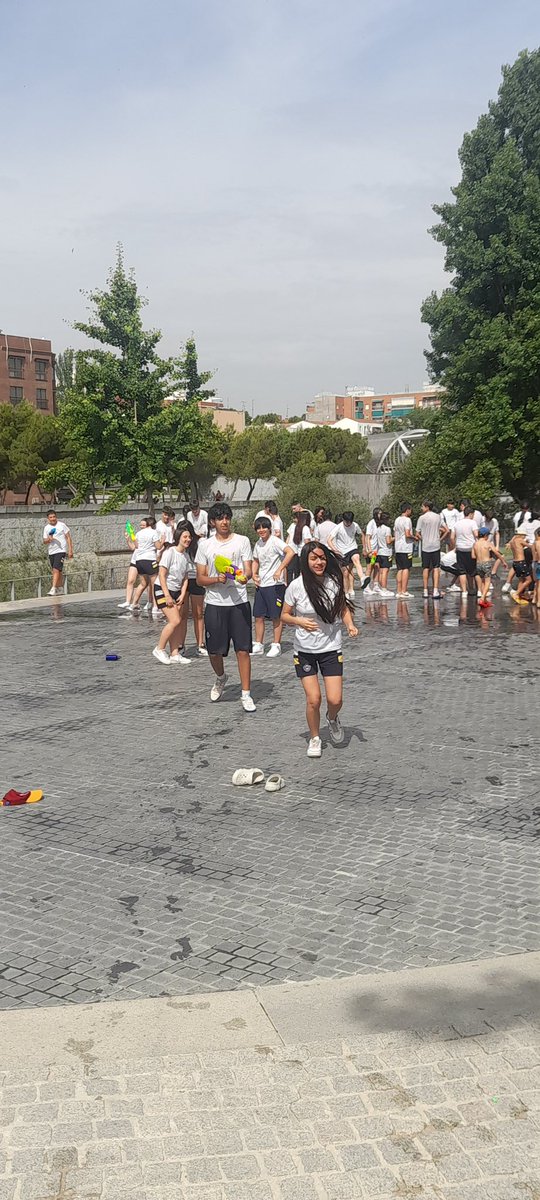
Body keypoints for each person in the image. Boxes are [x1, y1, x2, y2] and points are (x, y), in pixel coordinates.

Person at [282, 542, 359, 758]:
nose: (319, 562)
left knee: (335, 700)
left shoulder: (333, 582)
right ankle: (315, 737)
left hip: (330, 648)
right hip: (304, 651)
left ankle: (332, 718)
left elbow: (343, 608)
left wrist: (350, 625)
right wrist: (299, 621)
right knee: (313, 699)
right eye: (314, 558)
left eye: (322, 558)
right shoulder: (296, 586)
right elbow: (284, 615)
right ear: (305, 561)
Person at [195, 502, 256, 711]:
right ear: (213, 522)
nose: (224, 522)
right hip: (215, 603)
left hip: (239, 603)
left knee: (243, 650)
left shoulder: (242, 541)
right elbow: (200, 579)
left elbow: (248, 570)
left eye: (227, 518)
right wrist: (216, 579)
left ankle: (246, 694)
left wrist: (244, 577)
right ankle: (221, 677)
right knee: (214, 651)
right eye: (220, 518)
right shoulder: (205, 546)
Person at [251, 517, 295, 657]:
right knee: (258, 615)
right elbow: (255, 560)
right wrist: (254, 574)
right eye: (258, 528)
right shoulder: (258, 544)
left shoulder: (275, 541)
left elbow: (290, 552)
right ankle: (259, 644)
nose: (261, 530)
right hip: (262, 584)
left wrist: (280, 569)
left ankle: (276, 644)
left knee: (276, 615)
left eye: (264, 527)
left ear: (269, 528)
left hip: (275, 584)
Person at [152, 526, 191, 664]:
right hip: (162, 589)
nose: (188, 539)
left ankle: (174, 653)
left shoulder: (186, 556)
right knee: (175, 620)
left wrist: (183, 593)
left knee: (177, 622)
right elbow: (162, 575)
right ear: (178, 538)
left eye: (189, 537)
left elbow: (185, 577)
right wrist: (167, 595)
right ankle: (159, 648)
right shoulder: (170, 552)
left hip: (177, 591)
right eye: (185, 537)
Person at [176, 519, 208, 657]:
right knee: (181, 615)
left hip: (196, 579)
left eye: (188, 535)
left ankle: (200, 644)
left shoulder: (199, 544)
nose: (187, 539)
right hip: (182, 580)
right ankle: (180, 644)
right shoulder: (176, 547)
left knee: (198, 613)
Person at [327, 511, 366, 599]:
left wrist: (364, 547)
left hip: (352, 548)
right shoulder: (338, 527)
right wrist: (335, 550)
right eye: (347, 522)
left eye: (350, 522)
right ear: (343, 520)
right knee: (345, 573)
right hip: (342, 552)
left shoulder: (355, 525)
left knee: (356, 559)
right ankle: (346, 592)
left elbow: (362, 535)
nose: (349, 524)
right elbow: (329, 540)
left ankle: (362, 578)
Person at [415, 501, 448, 599]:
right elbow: (446, 530)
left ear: (427, 507)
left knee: (425, 567)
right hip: (435, 545)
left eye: (422, 506)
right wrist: (440, 539)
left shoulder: (421, 518)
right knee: (436, 567)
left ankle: (425, 591)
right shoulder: (438, 517)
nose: (421, 508)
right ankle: (435, 590)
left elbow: (417, 533)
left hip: (426, 546)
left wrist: (422, 538)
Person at [472, 527, 508, 607]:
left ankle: (484, 599)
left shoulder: (475, 544)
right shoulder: (488, 543)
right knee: (488, 581)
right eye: (488, 535)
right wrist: (503, 561)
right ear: (485, 535)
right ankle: (482, 598)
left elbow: (473, 556)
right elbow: (497, 553)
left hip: (478, 564)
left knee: (482, 581)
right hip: (486, 563)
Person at [130, 517, 160, 613]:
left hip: (139, 560)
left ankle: (134, 603)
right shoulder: (154, 532)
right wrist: (163, 540)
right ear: (153, 525)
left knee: (143, 583)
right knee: (154, 584)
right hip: (150, 560)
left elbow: (136, 546)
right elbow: (158, 546)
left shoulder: (139, 533)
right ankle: (155, 607)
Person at [43, 509, 73, 596]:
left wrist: (70, 550)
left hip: (61, 550)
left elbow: (68, 537)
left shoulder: (62, 525)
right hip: (51, 551)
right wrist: (49, 539)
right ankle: (60, 588)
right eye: (51, 517)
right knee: (58, 570)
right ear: (48, 519)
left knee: (55, 569)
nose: (53, 519)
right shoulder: (46, 528)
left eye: (54, 517)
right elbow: (44, 541)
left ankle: (53, 588)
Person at [453, 505, 479, 595]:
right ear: (471, 514)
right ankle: (479, 590)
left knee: (462, 571)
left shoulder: (457, 523)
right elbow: (476, 534)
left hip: (460, 548)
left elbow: (452, 537)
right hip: (471, 548)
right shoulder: (472, 523)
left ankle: (464, 591)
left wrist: (456, 545)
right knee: (474, 571)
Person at [393, 502, 415, 598]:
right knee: (406, 568)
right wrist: (415, 537)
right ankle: (404, 590)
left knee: (400, 569)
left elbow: (395, 532)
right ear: (407, 510)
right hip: (406, 547)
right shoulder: (407, 520)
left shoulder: (397, 519)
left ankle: (399, 591)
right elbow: (407, 534)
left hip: (398, 547)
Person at [508, 528, 534, 606]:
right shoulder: (520, 540)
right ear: (520, 535)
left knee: (521, 580)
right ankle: (516, 593)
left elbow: (518, 549)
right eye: (524, 535)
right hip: (521, 562)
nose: (524, 537)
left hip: (515, 562)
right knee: (529, 580)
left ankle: (518, 596)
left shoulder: (512, 541)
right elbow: (531, 547)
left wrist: (524, 543)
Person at [286, 510, 312, 581]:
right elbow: (307, 542)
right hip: (303, 552)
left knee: (295, 571)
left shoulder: (298, 527)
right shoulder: (305, 528)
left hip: (298, 552)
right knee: (304, 571)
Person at [373, 511, 394, 597]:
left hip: (379, 552)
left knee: (381, 571)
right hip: (386, 552)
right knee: (385, 571)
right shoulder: (387, 529)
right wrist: (395, 538)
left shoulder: (377, 528)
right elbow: (388, 541)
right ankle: (384, 589)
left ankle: (381, 588)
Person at [364, 507, 382, 596]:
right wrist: (369, 550)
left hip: (376, 550)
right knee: (370, 567)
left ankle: (376, 585)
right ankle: (366, 587)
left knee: (376, 566)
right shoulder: (371, 524)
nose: (380, 515)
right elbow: (367, 537)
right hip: (372, 550)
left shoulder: (378, 524)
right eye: (379, 513)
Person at [533, 527, 540, 608]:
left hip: (538, 563)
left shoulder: (536, 543)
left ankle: (538, 601)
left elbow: (534, 554)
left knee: (538, 584)